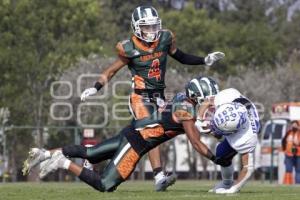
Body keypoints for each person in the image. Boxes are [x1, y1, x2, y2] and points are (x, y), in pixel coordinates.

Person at [79, 5, 225, 190]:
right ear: (137, 27)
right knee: (151, 130)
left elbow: (180, 56)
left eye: (154, 26)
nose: (151, 31)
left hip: (159, 96)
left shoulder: (165, 38)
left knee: (133, 137)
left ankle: (92, 157)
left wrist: (204, 60)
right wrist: (95, 87)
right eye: (147, 27)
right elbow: (111, 71)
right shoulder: (129, 48)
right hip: (139, 97)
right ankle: (158, 176)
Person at [23, 77, 226, 192]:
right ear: (197, 96)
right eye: (209, 98)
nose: (211, 102)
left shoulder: (183, 99)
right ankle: (61, 162)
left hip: (133, 130)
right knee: (105, 185)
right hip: (137, 142)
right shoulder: (186, 112)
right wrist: (218, 158)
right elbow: (196, 143)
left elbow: (194, 120)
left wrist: (210, 123)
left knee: (91, 153)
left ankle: (44, 154)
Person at [199, 88, 261, 194]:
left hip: (245, 131)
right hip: (237, 122)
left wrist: (234, 189)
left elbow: (248, 169)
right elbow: (209, 100)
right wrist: (199, 119)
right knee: (221, 154)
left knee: (223, 151)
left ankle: (230, 185)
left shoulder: (247, 137)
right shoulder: (227, 97)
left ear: (233, 131)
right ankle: (226, 182)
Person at [282, 120, 300, 184]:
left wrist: (295, 146)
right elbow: (283, 141)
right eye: (293, 125)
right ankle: (288, 183)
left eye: (295, 125)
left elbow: (296, 144)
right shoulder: (289, 132)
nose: (294, 126)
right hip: (289, 154)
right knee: (288, 169)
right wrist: (284, 150)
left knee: (298, 170)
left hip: (298, 154)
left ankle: (298, 184)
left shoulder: (298, 133)